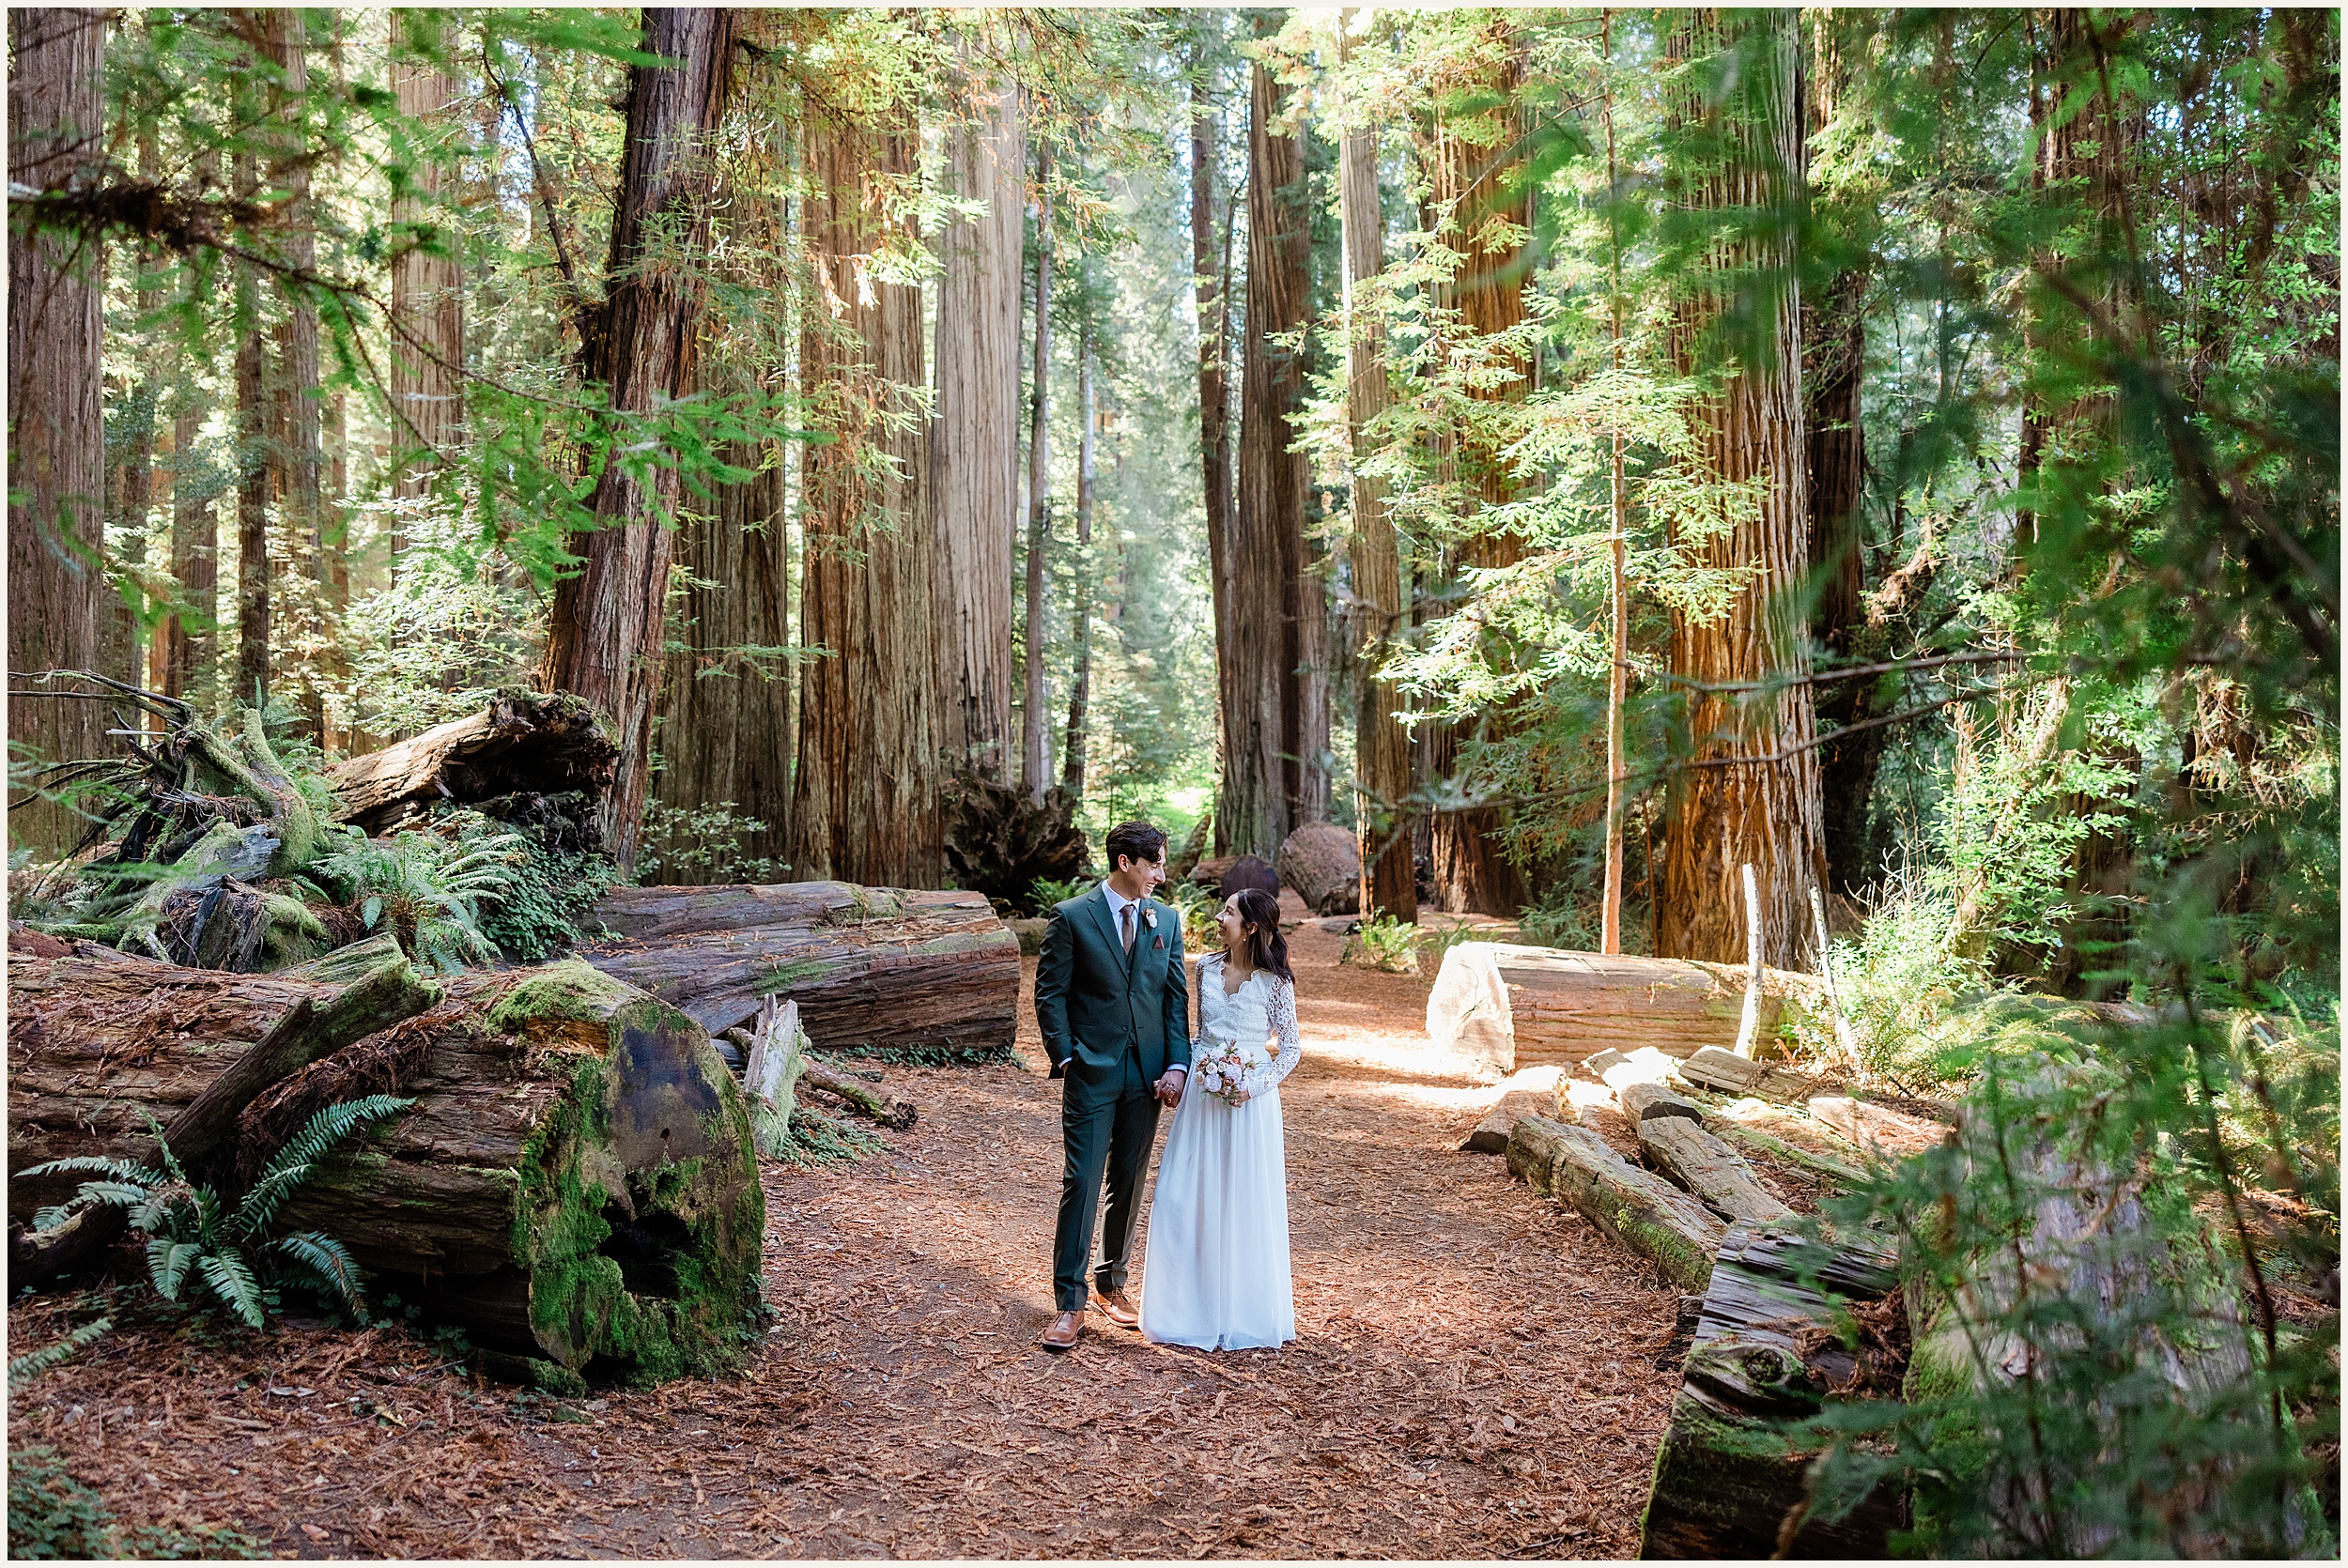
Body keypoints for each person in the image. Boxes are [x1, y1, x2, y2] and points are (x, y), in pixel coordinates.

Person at [1032, 821, 1190, 1352]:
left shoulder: (1164, 920)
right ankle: (1069, 1304)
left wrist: (1178, 1065)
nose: (1161, 877)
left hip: (1147, 1076)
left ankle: (1111, 1283)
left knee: (1128, 1181)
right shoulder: (1072, 917)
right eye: (1155, 865)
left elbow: (1174, 1000)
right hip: (1091, 1072)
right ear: (1126, 862)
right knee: (1081, 1180)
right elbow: (1050, 994)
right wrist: (1067, 1055)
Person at [1139, 886, 1300, 1352]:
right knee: (1182, 1196)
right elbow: (1198, 1036)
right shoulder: (1205, 968)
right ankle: (1184, 1307)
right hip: (1201, 1098)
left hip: (1250, 1103)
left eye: (1227, 913)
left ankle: (1239, 1310)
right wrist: (1183, 1072)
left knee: (1240, 1201)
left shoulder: (1277, 983)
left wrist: (1254, 1085)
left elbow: (1289, 1050)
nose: (1218, 917)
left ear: (1250, 927)